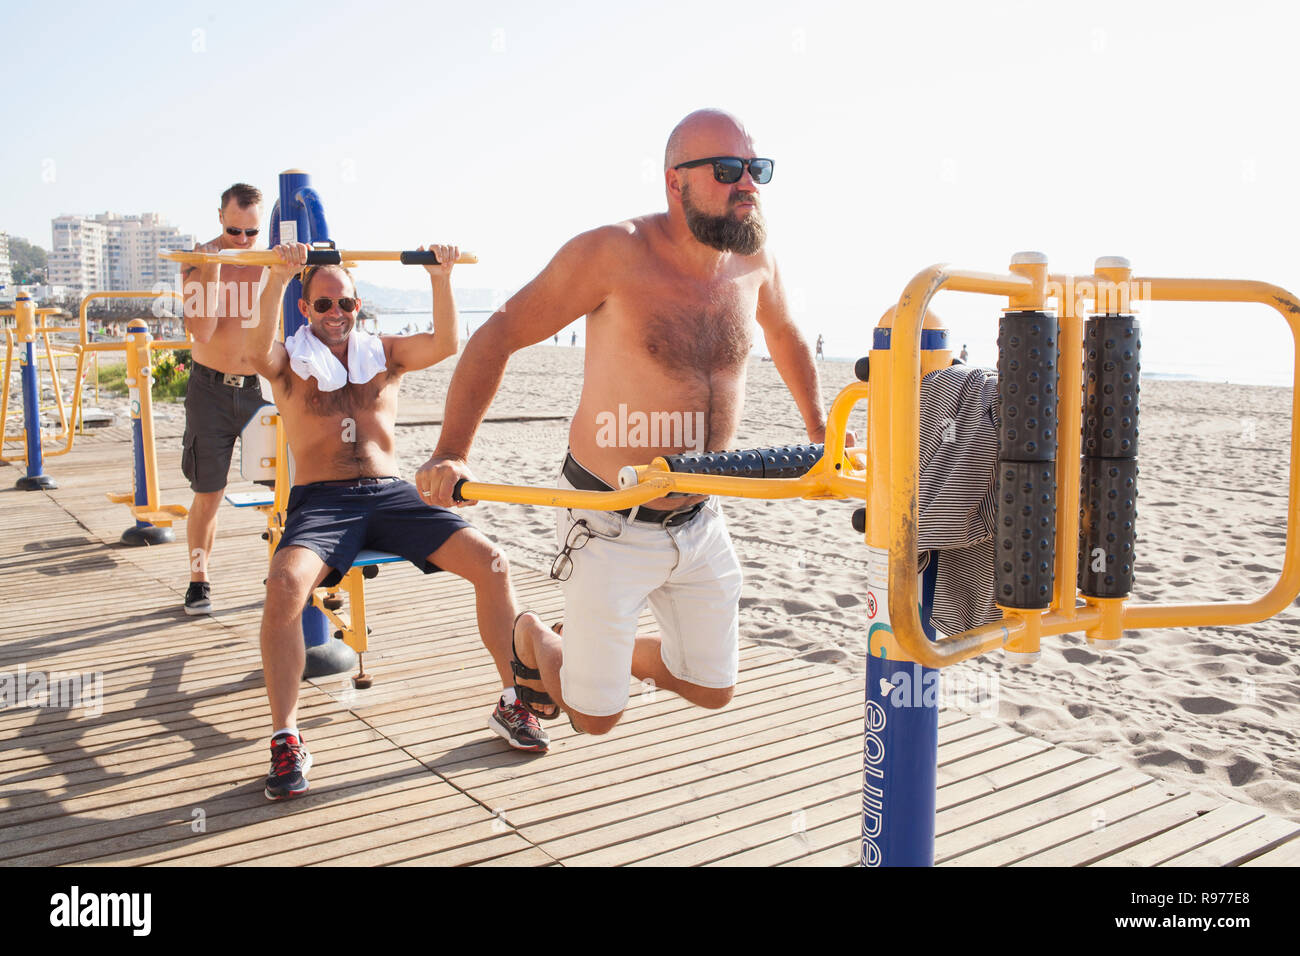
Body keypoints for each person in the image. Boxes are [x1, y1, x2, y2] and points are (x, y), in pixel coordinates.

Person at [417, 108, 840, 737]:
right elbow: (499, 334)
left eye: (758, 169)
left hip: (701, 516)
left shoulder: (755, 262)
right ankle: (536, 640)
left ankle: (597, 653)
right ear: (676, 182)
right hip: (609, 517)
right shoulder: (612, 253)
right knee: (594, 718)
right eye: (728, 170)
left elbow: (786, 335)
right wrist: (451, 450)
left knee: (712, 688)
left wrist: (819, 430)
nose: (748, 184)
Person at [245, 241, 550, 801]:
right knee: (284, 584)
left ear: (359, 306)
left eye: (346, 304)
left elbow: (446, 342)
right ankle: (286, 737)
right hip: (324, 501)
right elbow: (252, 350)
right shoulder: (289, 364)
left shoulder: (381, 353)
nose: (336, 315)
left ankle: (513, 702)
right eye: (323, 305)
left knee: (493, 563)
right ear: (305, 309)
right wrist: (277, 277)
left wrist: (441, 275)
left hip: (392, 493)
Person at [180, 183, 267, 615]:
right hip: (209, 389)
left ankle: (286, 568)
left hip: (256, 389)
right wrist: (212, 267)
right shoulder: (199, 261)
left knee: (286, 485)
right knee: (209, 492)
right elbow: (201, 331)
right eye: (236, 231)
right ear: (220, 218)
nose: (245, 241)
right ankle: (199, 578)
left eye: (253, 232)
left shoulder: (266, 260)